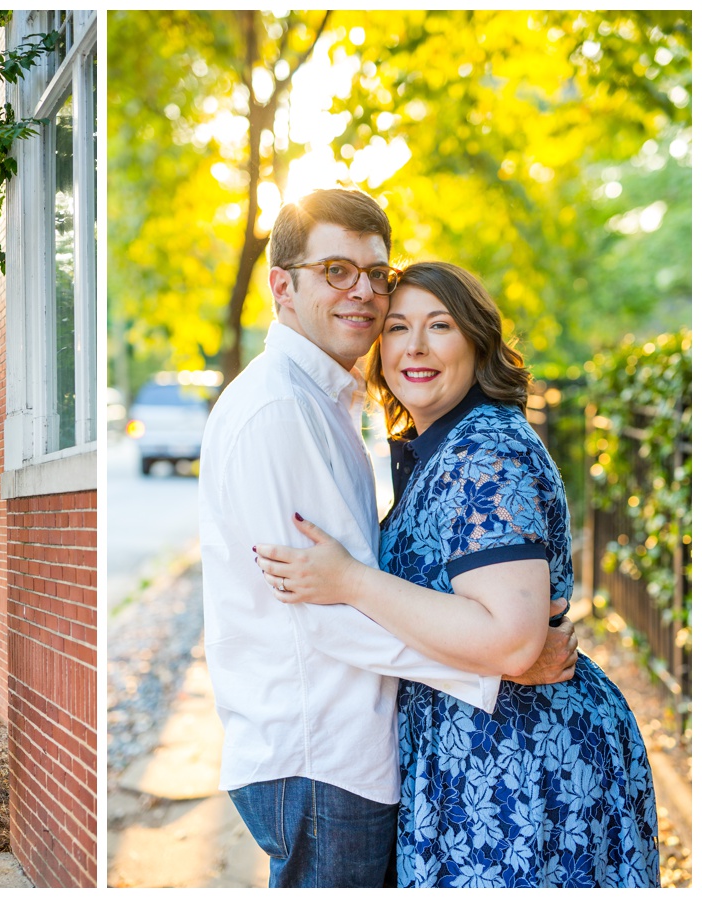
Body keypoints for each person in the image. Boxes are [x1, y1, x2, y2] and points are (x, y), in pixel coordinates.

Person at [198, 189, 577, 888]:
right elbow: (320, 613)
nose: (364, 293)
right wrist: (501, 662)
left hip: (352, 751)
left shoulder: (330, 403)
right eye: (337, 271)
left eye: (377, 273)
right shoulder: (280, 411)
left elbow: (352, 582)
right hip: (322, 753)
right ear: (283, 285)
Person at [254, 261, 660, 886]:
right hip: (478, 761)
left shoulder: (484, 452)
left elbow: (512, 640)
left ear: (475, 341)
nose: (414, 346)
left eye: (438, 326)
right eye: (396, 328)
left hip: (521, 774)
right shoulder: (445, 444)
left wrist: (349, 580)